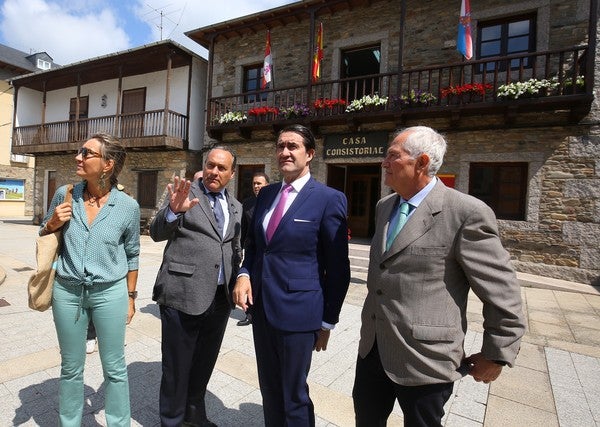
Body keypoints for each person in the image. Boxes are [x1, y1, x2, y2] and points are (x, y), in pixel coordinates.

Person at [352, 126, 526, 427]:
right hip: (373, 349)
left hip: (426, 360)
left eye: (393, 156)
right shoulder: (384, 207)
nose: (384, 162)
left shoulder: (465, 212)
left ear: (421, 162)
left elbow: (502, 291)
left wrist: (497, 354)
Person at [233, 124, 351, 426]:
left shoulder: (328, 198)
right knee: (270, 390)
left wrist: (327, 321)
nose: (284, 152)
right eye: (280, 146)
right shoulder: (267, 194)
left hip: (300, 313)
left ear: (309, 154)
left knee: (293, 393)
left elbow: (338, 267)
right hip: (262, 311)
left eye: (293, 146)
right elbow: (255, 246)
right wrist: (244, 273)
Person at [41, 132, 140, 426]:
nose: (78, 157)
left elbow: (133, 255)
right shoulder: (65, 193)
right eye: (80, 151)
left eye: (87, 153)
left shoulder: (127, 207)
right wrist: (52, 223)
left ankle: (118, 422)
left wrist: (131, 298)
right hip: (67, 292)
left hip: (110, 293)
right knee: (71, 367)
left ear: (108, 164)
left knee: (114, 368)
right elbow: (43, 235)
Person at [150, 146, 242, 427]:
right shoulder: (185, 193)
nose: (215, 172)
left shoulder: (236, 206)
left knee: (204, 363)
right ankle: (173, 421)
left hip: (220, 298)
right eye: (211, 165)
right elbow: (156, 233)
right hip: (182, 293)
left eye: (222, 168)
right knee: (177, 367)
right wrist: (172, 213)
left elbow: (235, 247)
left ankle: (195, 415)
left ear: (231, 173)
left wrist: (238, 279)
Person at [237, 171, 270, 326]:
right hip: (252, 249)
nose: (256, 186)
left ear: (267, 185)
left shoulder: (273, 202)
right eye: (254, 183)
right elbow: (244, 228)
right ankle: (249, 313)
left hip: (267, 250)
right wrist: (240, 246)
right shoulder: (247, 203)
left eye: (259, 183)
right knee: (250, 280)